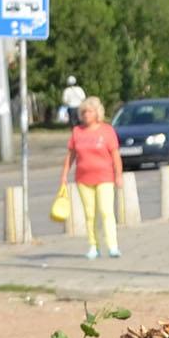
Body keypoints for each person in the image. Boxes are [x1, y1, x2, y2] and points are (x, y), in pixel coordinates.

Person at [66, 95, 122, 260]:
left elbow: (115, 155)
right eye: (83, 112)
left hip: (105, 177)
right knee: (90, 214)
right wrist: (64, 175)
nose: (85, 115)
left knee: (106, 211)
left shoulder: (107, 130)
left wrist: (118, 175)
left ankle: (113, 246)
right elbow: (71, 156)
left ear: (97, 113)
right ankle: (93, 246)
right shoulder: (77, 132)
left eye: (89, 111)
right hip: (83, 178)